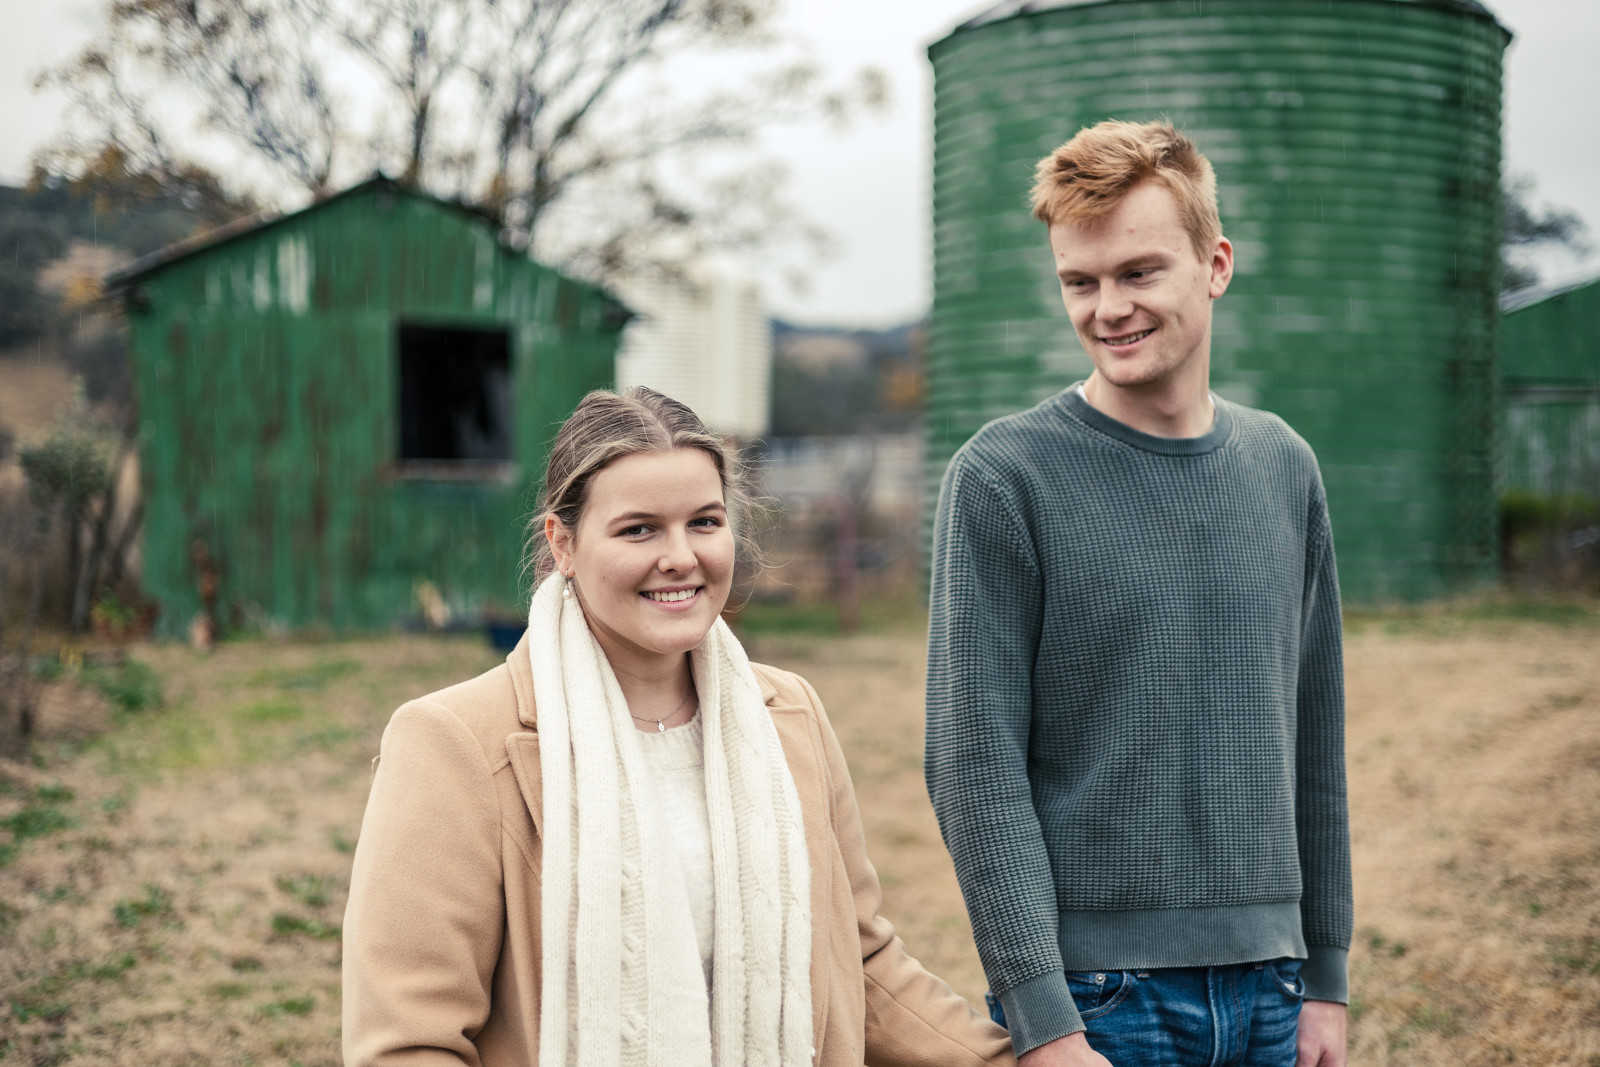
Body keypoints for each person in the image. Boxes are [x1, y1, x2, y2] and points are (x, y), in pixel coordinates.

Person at [343, 386, 1014, 1067]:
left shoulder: (790, 715)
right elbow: (410, 1040)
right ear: (562, 543)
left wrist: (1014, 1060)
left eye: (704, 522)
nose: (681, 556)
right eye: (639, 529)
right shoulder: (453, 742)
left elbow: (860, 961)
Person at [924, 120, 1352, 1067]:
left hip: (1276, 986)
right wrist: (1045, 1020)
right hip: (1099, 999)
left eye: (1138, 273)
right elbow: (973, 763)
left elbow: (1315, 736)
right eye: (1080, 282)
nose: (1108, 308)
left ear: (1215, 265)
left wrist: (1326, 974)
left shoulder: (1284, 466)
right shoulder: (1003, 477)